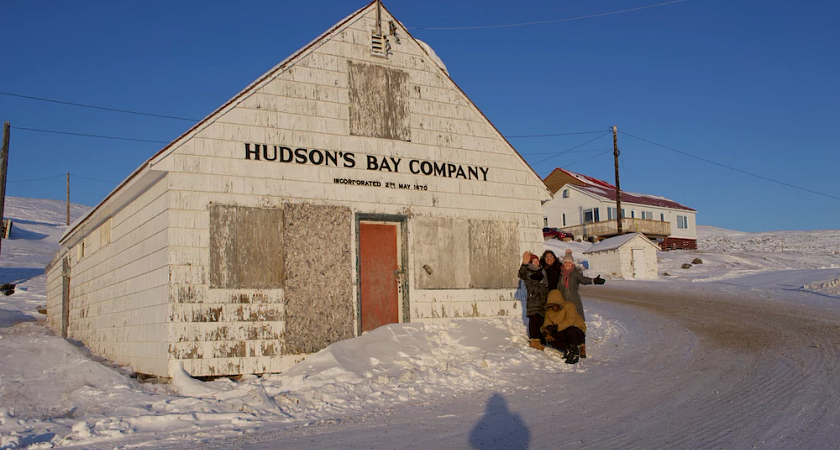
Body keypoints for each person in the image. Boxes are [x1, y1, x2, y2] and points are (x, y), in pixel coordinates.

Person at [558, 249, 605, 358]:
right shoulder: (560, 274)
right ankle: (571, 344)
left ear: (572, 264)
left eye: (569, 262)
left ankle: (582, 346)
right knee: (567, 323)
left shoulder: (575, 274)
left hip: (574, 301)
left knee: (578, 322)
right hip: (564, 302)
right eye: (565, 262)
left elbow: (584, 280)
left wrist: (594, 281)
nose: (567, 264)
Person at [540, 289, 586, 364]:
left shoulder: (569, 306)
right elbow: (546, 323)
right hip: (562, 331)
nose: (554, 307)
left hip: (576, 331)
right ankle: (566, 348)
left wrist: (557, 327)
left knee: (570, 331)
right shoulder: (549, 311)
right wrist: (546, 330)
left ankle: (574, 351)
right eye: (552, 304)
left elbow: (571, 320)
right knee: (549, 337)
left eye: (556, 304)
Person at [518, 251, 548, 351]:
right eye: (533, 261)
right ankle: (534, 341)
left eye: (537, 261)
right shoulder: (528, 271)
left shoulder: (543, 271)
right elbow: (521, 274)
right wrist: (524, 263)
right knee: (534, 319)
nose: (536, 262)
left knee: (541, 319)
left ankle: (540, 338)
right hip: (533, 299)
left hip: (542, 300)